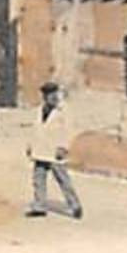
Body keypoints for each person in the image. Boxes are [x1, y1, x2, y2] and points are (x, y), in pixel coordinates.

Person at [24, 81, 82, 219]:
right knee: (38, 179)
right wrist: (30, 146)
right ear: (44, 96)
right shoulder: (39, 110)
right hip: (40, 148)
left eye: (53, 94)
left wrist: (64, 147)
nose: (52, 97)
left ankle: (75, 206)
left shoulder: (63, 110)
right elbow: (36, 129)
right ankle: (39, 206)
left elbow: (69, 130)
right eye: (48, 95)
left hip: (55, 150)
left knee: (63, 179)